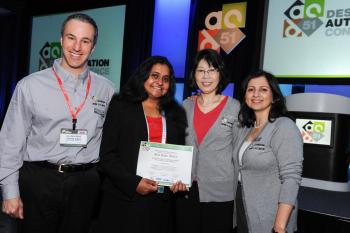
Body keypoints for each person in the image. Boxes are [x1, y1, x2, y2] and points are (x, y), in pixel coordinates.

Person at [0, 13, 115, 233]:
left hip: (85, 184)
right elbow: (10, 143)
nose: (77, 47)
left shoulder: (106, 89)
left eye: (85, 41)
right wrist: (10, 192)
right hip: (39, 181)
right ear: (61, 40)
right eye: (71, 38)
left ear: (93, 47)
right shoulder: (30, 86)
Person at [94, 56, 187, 233]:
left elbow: (177, 158)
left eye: (165, 79)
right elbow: (107, 155)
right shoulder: (121, 106)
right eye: (155, 76)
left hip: (160, 203)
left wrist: (179, 181)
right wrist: (133, 183)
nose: (160, 82)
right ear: (143, 76)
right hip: (124, 199)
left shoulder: (174, 114)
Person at [174, 48, 240, 233]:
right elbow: (178, 146)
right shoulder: (186, 105)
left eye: (212, 70)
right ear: (194, 74)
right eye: (201, 70)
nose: (206, 76)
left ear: (220, 74)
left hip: (221, 193)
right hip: (186, 191)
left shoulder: (235, 108)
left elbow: (241, 150)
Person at [234, 70, 303, 233]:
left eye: (263, 89)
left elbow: (291, 178)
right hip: (244, 210)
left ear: (274, 96)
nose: (256, 94)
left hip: (270, 216)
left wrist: (279, 226)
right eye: (251, 89)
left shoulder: (284, 126)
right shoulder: (246, 129)